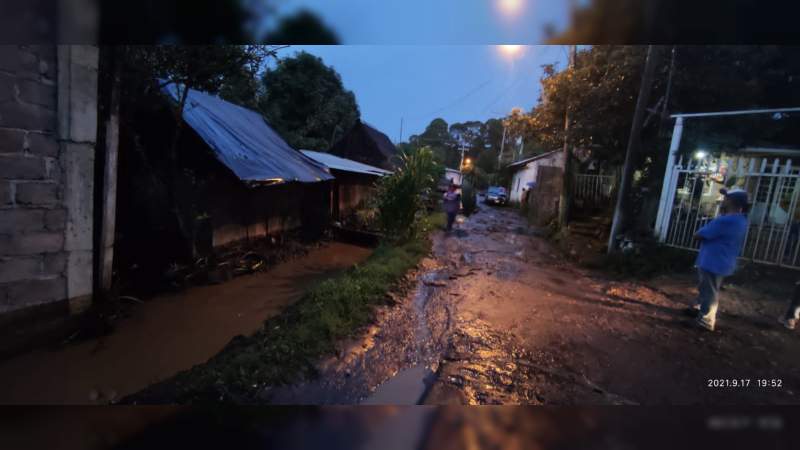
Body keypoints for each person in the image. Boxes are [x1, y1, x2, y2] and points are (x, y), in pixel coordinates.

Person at [689, 187, 749, 331]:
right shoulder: (741, 220)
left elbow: (698, 235)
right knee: (708, 288)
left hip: (712, 260)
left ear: (732, 201)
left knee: (709, 291)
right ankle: (699, 308)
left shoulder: (725, 220)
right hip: (723, 261)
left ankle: (706, 321)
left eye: (726, 198)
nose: (724, 200)